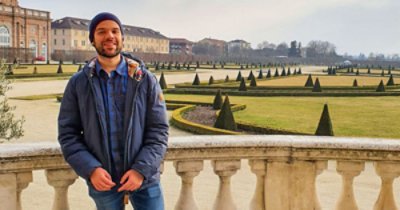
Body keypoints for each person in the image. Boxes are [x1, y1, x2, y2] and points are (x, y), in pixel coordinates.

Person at [58, 12, 169, 210]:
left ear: (122, 38)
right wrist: (91, 169)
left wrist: (140, 170)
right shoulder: (78, 84)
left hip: (145, 179)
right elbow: (68, 134)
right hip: (103, 181)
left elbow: (159, 131)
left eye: (115, 31)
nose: (109, 36)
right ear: (92, 40)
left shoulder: (145, 80)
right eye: (101, 32)